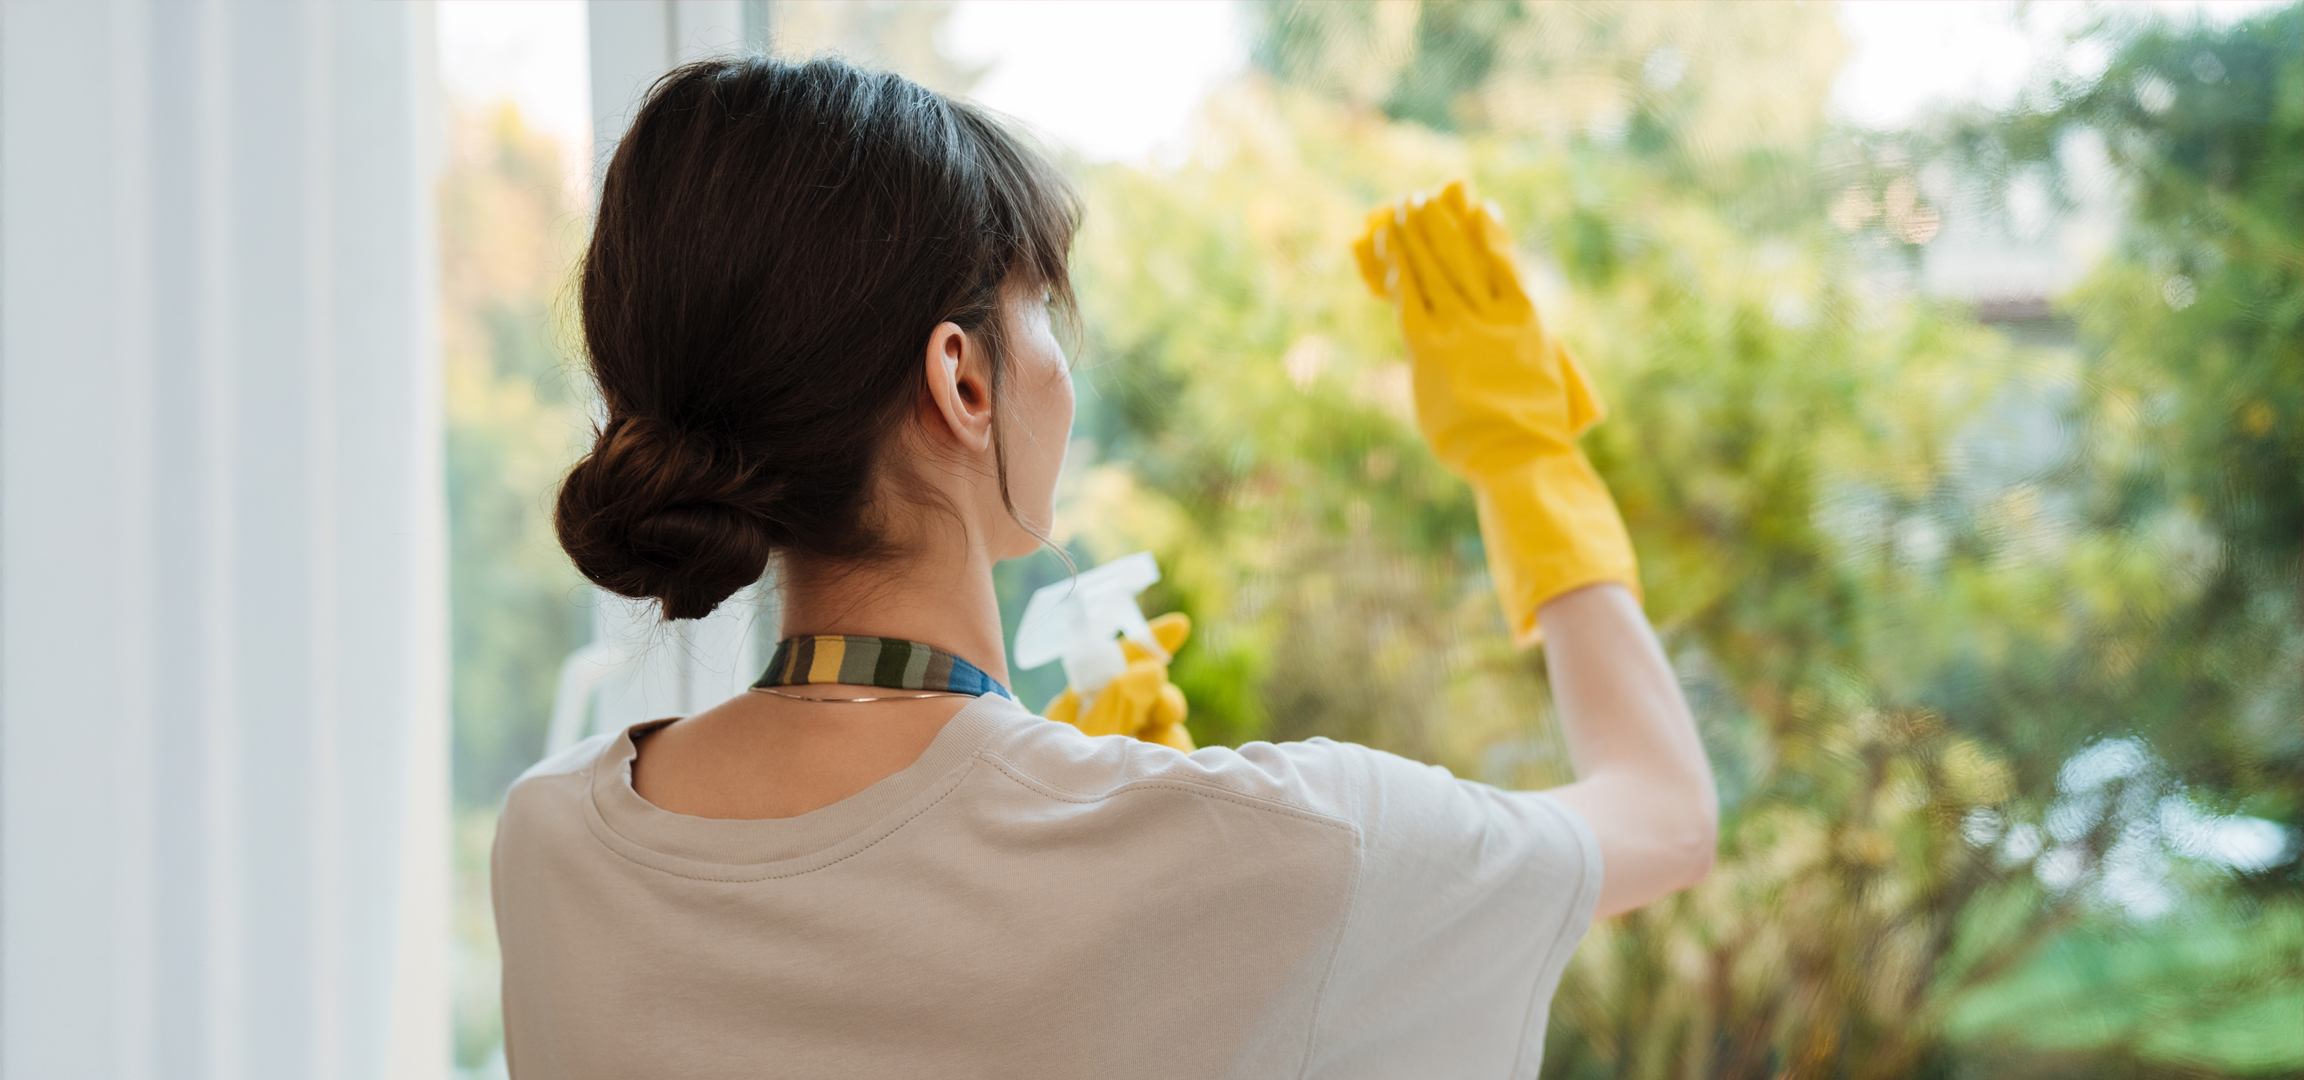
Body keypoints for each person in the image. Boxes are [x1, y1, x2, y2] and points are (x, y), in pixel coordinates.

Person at [493, 55, 1716, 1079]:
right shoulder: (1276, 847)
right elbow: (1663, 813)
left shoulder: (551, 851)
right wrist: (1523, 457)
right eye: (1043, 311)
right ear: (962, 380)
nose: (1062, 368)